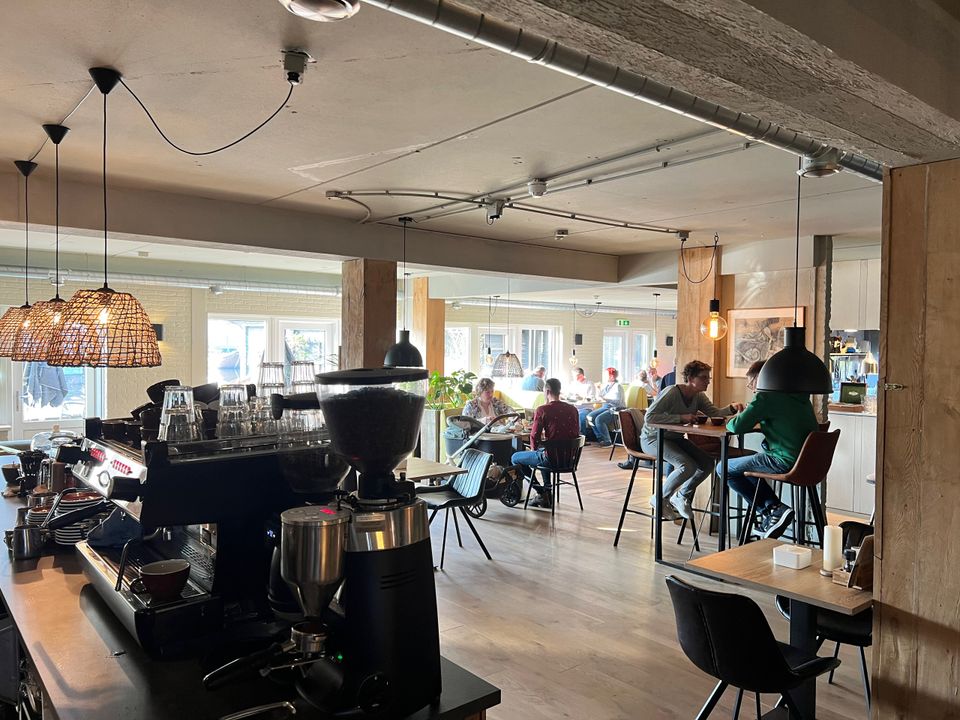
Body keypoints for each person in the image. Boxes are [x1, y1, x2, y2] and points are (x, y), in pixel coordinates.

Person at [724, 360, 819, 539]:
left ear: (762, 379)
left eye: (752, 384)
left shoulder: (766, 396)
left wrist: (735, 418)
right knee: (748, 466)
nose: (753, 389)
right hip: (809, 463)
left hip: (784, 460)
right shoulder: (799, 396)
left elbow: (736, 427)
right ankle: (774, 509)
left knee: (723, 469)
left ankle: (773, 509)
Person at [641, 360, 744, 520]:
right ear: (690, 378)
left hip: (675, 438)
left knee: (707, 464)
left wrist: (732, 408)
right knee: (686, 465)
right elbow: (649, 417)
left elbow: (714, 413)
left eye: (708, 378)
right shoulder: (672, 392)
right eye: (703, 377)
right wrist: (681, 417)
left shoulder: (698, 396)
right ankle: (659, 498)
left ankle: (681, 495)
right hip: (653, 438)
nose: (708, 381)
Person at [511, 377, 580, 509]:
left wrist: (534, 449)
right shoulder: (573, 409)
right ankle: (547, 494)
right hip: (569, 459)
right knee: (544, 453)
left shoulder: (543, 410)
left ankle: (541, 492)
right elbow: (575, 433)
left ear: (547, 391)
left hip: (551, 459)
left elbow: (534, 436)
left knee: (515, 458)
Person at [583, 367, 625, 447]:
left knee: (599, 419)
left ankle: (607, 441)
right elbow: (600, 396)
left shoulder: (618, 386)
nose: (604, 377)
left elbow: (618, 401)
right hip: (606, 406)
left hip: (615, 408)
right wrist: (598, 389)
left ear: (611, 376)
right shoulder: (606, 386)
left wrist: (605, 399)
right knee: (590, 417)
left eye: (606, 375)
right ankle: (600, 438)